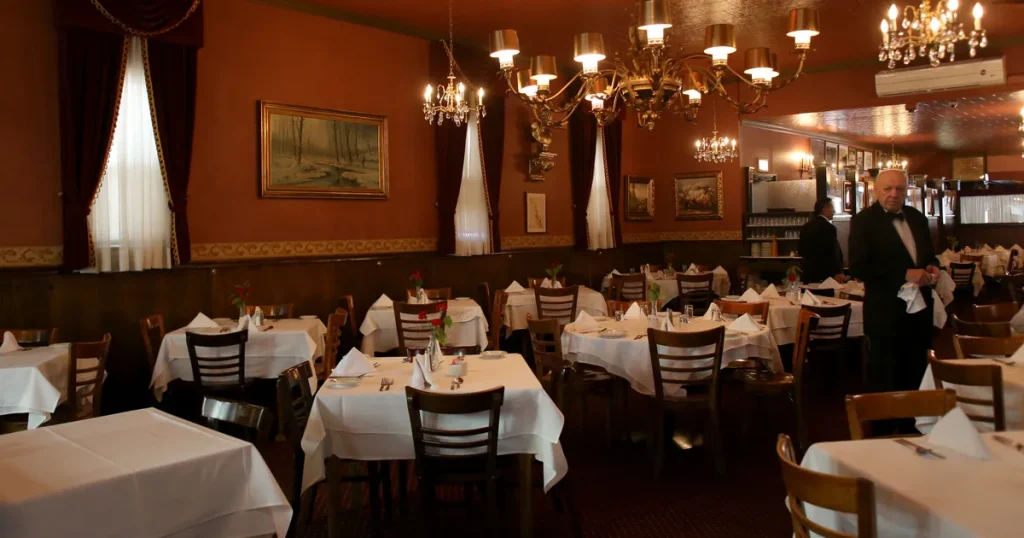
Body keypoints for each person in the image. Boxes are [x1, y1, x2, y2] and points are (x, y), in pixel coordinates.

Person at [849, 170, 940, 400]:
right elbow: (859, 267)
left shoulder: (917, 218)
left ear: (906, 191)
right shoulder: (864, 221)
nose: (894, 194)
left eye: (899, 189)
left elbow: (929, 256)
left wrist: (932, 267)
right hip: (885, 313)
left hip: (919, 312)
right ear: (876, 191)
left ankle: (917, 426)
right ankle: (884, 430)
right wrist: (904, 274)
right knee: (886, 377)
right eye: (888, 189)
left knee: (918, 373)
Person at [799, 198, 845, 284]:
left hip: (808, 274)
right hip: (826, 275)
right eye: (832, 208)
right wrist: (838, 271)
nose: (834, 211)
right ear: (824, 210)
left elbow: (801, 251)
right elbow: (833, 251)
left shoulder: (805, 227)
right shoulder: (829, 228)